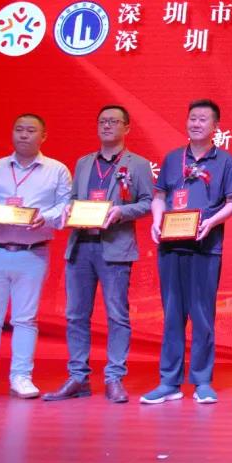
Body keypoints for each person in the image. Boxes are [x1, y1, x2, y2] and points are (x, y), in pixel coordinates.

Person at [0, 113, 71, 401]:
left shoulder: (57, 170)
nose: (24, 135)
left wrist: (45, 218)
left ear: (43, 136)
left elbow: (65, 207)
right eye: (19, 129)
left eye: (31, 130)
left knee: (25, 319)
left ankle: (21, 376)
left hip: (32, 253)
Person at [41, 105, 153, 403]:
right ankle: (78, 377)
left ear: (126, 128)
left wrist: (121, 212)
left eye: (113, 121)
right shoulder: (83, 163)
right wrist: (68, 210)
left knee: (117, 315)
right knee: (76, 314)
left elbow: (147, 203)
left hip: (115, 248)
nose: (107, 126)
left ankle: (114, 377)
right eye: (102, 121)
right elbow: (73, 199)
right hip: (81, 245)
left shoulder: (138, 164)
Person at [140, 99, 232, 405]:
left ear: (215, 126)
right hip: (171, 246)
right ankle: (169, 382)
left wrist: (211, 222)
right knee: (171, 314)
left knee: (202, 315)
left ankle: (202, 381)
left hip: (206, 247)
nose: (196, 123)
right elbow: (160, 196)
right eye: (192, 118)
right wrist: (157, 220)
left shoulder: (225, 161)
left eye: (203, 119)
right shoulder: (172, 158)